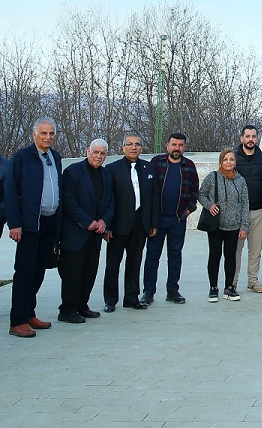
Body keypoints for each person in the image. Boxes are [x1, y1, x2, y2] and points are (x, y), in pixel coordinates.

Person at [5, 118, 62, 337]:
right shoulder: (22, 158)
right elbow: (11, 192)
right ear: (34, 134)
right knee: (25, 272)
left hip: (48, 223)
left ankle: (29, 313)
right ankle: (17, 320)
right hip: (29, 225)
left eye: (51, 134)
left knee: (39, 271)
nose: (47, 137)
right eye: (43, 133)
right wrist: (15, 224)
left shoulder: (54, 157)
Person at [58, 139, 114, 323]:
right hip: (76, 232)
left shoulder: (105, 174)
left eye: (102, 153)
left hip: (95, 234)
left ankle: (82, 305)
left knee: (90, 271)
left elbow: (110, 201)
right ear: (87, 150)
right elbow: (68, 200)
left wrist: (103, 221)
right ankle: (67, 309)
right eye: (95, 152)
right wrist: (86, 221)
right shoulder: (73, 171)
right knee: (72, 272)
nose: (99, 156)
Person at [104, 133, 158, 311]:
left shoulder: (149, 168)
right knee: (113, 263)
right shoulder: (112, 169)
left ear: (142, 148)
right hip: (118, 225)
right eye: (129, 144)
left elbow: (153, 198)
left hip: (140, 223)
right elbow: (107, 199)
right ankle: (110, 300)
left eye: (137, 144)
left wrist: (153, 223)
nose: (133, 147)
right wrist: (108, 225)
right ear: (122, 148)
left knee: (134, 262)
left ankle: (131, 298)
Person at [144, 133, 199, 305]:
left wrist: (187, 211)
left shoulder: (189, 166)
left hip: (177, 220)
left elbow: (194, 193)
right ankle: (148, 291)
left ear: (184, 147)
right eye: (174, 144)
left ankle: (172, 290)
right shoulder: (156, 163)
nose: (177, 148)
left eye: (180, 145)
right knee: (152, 256)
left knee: (175, 255)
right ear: (167, 146)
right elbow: (148, 190)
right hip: (157, 220)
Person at [198, 149, 249, 302]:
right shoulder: (212, 177)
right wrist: (209, 205)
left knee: (231, 257)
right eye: (225, 159)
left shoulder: (241, 180)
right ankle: (213, 287)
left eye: (231, 159)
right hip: (216, 225)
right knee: (214, 255)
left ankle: (229, 287)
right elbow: (201, 194)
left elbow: (245, 204)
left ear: (235, 162)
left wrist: (244, 226)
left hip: (233, 226)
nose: (228, 162)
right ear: (221, 161)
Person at [233, 124, 262, 293]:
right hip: (238, 213)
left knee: (255, 249)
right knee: (236, 250)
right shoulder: (233, 158)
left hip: (258, 211)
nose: (250, 139)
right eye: (247, 136)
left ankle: (253, 280)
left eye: (253, 136)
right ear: (241, 138)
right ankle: (232, 282)